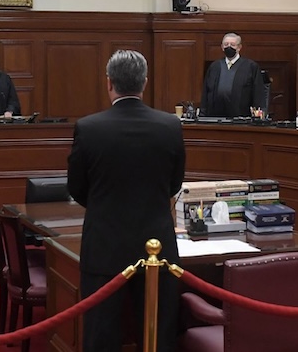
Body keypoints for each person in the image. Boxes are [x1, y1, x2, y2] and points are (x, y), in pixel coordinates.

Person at [67, 50, 185, 352]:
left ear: (109, 82)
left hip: (103, 246)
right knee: (158, 337)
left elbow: (76, 188)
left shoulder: (88, 128)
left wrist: (104, 205)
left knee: (101, 337)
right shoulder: (170, 126)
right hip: (157, 246)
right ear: (144, 82)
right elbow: (174, 184)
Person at [201, 32, 264, 118]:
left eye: (232, 45)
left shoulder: (251, 67)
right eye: (226, 44)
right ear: (222, 47)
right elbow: (206, 92)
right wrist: (203, 114)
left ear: (239, 47)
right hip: (215, 117)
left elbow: (258, 94)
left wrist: (258, 115)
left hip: (241, 117)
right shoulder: (214, 66)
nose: (229, 47)